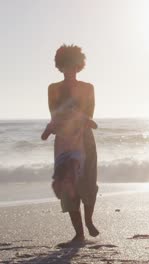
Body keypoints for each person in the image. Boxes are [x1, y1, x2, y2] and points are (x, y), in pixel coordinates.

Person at [47, 44, 99, 242]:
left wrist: (74, 117)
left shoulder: (88, 88)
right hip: (64, 140)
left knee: (88, 181)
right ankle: (78, 233)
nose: (69, 70)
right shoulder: (53, 88)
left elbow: (89, 114)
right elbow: (54, 114)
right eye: (65, 66)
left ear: (79, 66)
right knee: (68, 184)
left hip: (85, 139)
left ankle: (89, 220)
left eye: (73, 66)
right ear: (60, 67)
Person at [42, 101, 98, 202]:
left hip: (72, 154)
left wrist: (85, 120)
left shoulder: (72, 119)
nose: (69, 113)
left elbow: (94, 125)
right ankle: (61, 184)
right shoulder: (61, 120)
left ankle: (68, 185)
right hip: (65, 155)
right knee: (63, 170)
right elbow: (44, 136)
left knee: (71, 165)